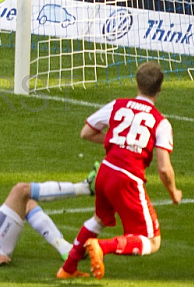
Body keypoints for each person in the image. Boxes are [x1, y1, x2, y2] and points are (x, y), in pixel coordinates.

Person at [57, 61, 182, 280]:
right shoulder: (161, 123)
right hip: (127, 178)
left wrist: (117, 143)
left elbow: (86, 132)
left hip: (105, 172)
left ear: (137, 83)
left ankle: (67, 268)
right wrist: (174, 192)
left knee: (99, 219)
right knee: (152, 240)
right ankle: (101, 247)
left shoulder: (117, 105)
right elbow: (164, 168)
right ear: (160, 89)